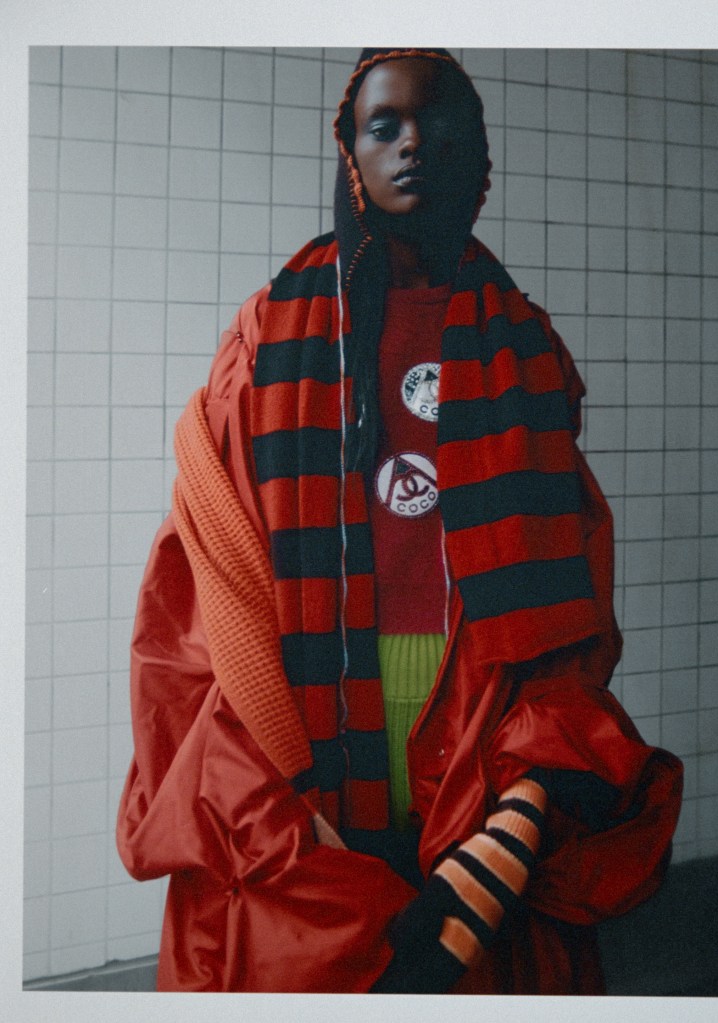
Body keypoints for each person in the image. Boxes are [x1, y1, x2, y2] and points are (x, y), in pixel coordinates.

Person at [117, 48, 683, 995]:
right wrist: (262, 762)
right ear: (350, 154)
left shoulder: (524, 341)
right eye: (384, 125)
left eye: (438, 121)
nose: (412, 142)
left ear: (479, 154)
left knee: (474, 958)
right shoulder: (269, 329)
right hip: (309, 696)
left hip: (477, 704)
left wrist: (525, 797)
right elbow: (214, 550)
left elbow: (569, 574)